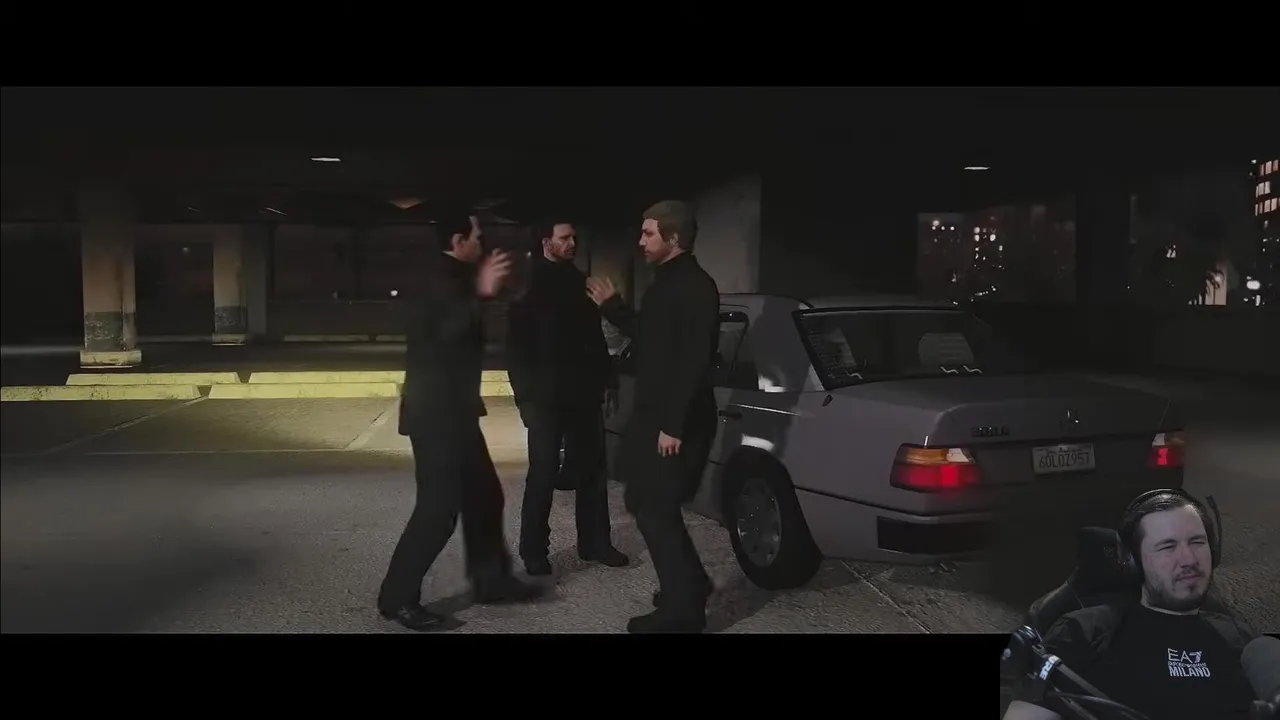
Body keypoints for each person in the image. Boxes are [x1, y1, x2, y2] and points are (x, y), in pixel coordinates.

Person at [378, 211, 542, 632]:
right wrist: (482, 294)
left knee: (485, 497)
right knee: (438, 511)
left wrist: (489, 291)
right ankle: (397, 599)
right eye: (477, 237)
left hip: (457, 413)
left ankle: (492, 582)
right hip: (436, 416)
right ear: (458, 240)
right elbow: (443, 338)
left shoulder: (454, 278)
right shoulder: (435, 280)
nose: (482, 243)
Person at [1002, 489, 1258, 720]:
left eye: (1197, 542)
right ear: (1132, 562)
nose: (1189, 559)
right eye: (1167, 547)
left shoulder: (1245, 641)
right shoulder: (1083, 632)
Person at [585, 200, 720, 633]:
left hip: (674, 421)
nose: (641, 241)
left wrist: (673, 425)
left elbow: (694, 360)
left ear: (673, 238)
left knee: (655, 509)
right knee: (644, 501)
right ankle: (691, 584)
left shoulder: (695, 286)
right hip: (656, 415)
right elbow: (653, 337)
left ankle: (684, 611)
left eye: (649, 234)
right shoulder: (667, 282)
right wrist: (613, 307)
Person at [506, 218, 629, 576]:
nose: (573, 243)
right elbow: (515, 349)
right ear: (546, 242)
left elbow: (594, 337)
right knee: (543, 472)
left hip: (583, 394)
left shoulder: (580, 282)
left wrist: (608, 381)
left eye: (575, 237)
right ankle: (534, 550)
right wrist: (524, 399)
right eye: (565, 238)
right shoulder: (527, 286)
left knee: (592, 471)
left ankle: (595, 542)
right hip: (544, 398)